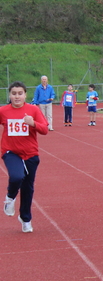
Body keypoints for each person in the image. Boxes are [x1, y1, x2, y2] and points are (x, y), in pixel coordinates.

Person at [2, 81, 49, 233]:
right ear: (9, 95)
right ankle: (10, 198)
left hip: (30, 153)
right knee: (16, 177)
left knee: (28, 188)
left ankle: (25, 219)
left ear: (25, 95)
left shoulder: (33, 110)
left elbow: (45, 129)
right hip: (11, 152)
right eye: (14, 93)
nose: (17, 97)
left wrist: (33, 123)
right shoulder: (3, 111)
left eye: (20, 93)